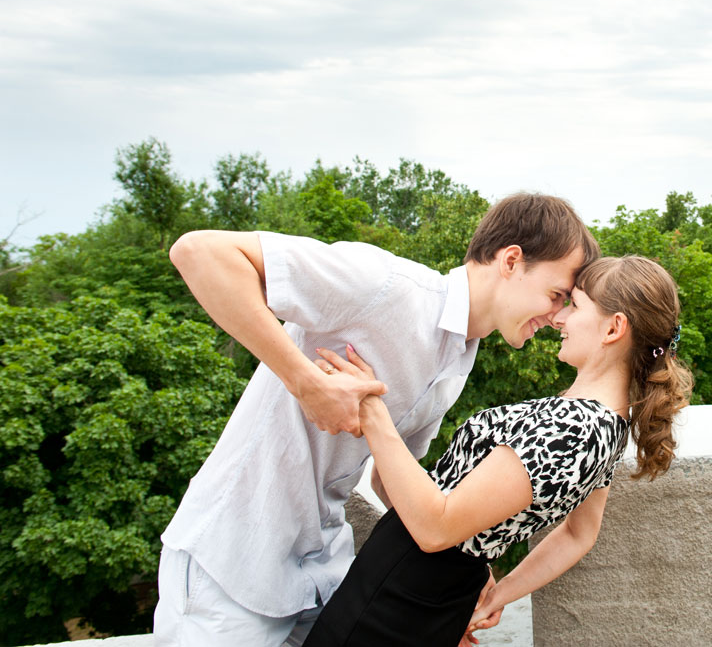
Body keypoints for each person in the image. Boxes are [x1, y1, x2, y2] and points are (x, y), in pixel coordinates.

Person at [154, 193, 599, 647]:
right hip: (233, 566)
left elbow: (393, 480)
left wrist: (462, 562)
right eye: (556, 294)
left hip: (320, 571)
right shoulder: (386, 285)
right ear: (510, 261)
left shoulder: (462, 353)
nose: (558, 315)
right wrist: (304, 381)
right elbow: (199, 253)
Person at [301, 255, 693, 647]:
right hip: (433, 593)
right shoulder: (606, 427)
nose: (559, 319)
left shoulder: (574, 428)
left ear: (614, 327)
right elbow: (578, 534)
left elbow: (437, 528)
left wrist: (372, 412)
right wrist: (494, 595)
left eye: (575, 305)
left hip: (401, 594)